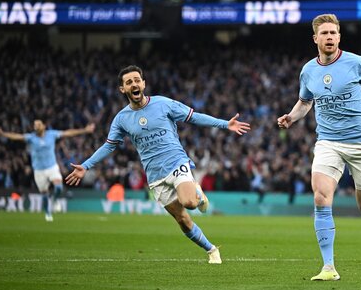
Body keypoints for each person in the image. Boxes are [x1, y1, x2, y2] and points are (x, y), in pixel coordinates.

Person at [65, 65, 251, 264]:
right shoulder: (121, 119)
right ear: (122, 89)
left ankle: (196, 192)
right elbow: (109, 146)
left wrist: (225, 124)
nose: (134, 84)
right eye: (129, 82)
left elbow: (193, 117)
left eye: (137, 80)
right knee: (183, 220)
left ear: (143, 84)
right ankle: (212, 250)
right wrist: (86, 165)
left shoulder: (163, 103)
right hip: (154, 176)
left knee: (189, 203)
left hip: (176, 161)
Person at [277, 14, 361, 281]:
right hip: (328, 142)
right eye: (325, 33)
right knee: (321, 196)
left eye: (334, 32)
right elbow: (305, 102)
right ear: (316, 39)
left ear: (339, 37)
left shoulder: (357, 63)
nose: (330, 37)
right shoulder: (308, 70)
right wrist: (291, 116)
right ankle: (328, 267)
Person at [0, 120, 95, 222]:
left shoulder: (52, 134)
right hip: (39, 170)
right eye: (34, 125)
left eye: (38, 125)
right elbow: (17, 136)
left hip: (52, 167)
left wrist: (84, 130)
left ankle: (54, 201)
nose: (36, 127)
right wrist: (3, 134)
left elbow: (68, 133)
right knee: (44, 195)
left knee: (58, 187)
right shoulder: (31, 137)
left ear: (44, 126)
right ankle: (47, 213)